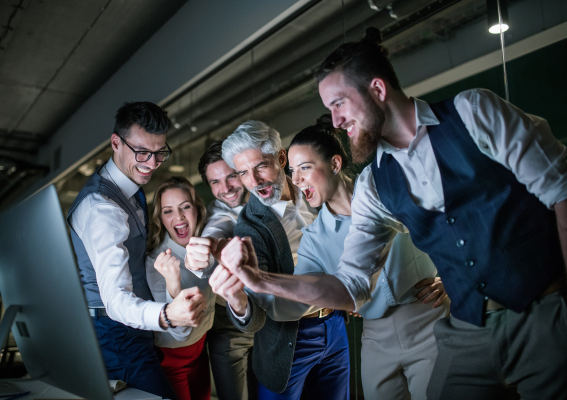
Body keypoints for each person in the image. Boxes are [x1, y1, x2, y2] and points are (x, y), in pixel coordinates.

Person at [218, 27, 567, 400]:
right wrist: (258, 281)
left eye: (339, 104)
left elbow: (560, 190)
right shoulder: (374, 185)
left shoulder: (473, 111)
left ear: (377, 91)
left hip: (543, 311)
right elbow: (351, 286)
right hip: (468, 328)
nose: (334, 121)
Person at [286, 117, 449, 399]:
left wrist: (450, 278)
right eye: (291, 171)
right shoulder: (314, 237)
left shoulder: (387, 187)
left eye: (304, 168)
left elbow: (447, 223)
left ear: (335, 165)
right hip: (374, 336)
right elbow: (300, 295)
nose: (296, 179)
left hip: (428, 317)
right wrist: (255, 282)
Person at [67, 101, 206, 398]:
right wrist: (168, 314)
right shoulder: (102, 209)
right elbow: (115, 300)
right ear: (116, 143)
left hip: (136, 330)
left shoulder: (133, 187)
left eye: (160, 153)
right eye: (142, 152)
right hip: (115, 331)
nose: (152, 163)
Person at [211, 120, 351, 400]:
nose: (254, 181)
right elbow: (257, 316)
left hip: (335, 325)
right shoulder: (249, 228)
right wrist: (238, 302)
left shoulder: (318, 191)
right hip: (288, 340)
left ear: (282, 158)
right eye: (243, 173)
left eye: (260, 166)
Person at [146, 176, 216, 400]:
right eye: (168, 211)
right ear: (161, 219)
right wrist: (173, 283)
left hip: (200, 351)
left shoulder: (209, 244)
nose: (179, 217)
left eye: (185, 207)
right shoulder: (156, 263)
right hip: (171, 359)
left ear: (197, 209)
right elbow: (180, 331)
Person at [197, 141, 256, 400]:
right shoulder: (217, 213)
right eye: (215, 182)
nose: (226, 188)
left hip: (271, 320)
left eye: (231, 176)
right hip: (229, 325)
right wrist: (206, 249)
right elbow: (217, 227)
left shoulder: (266, 202)